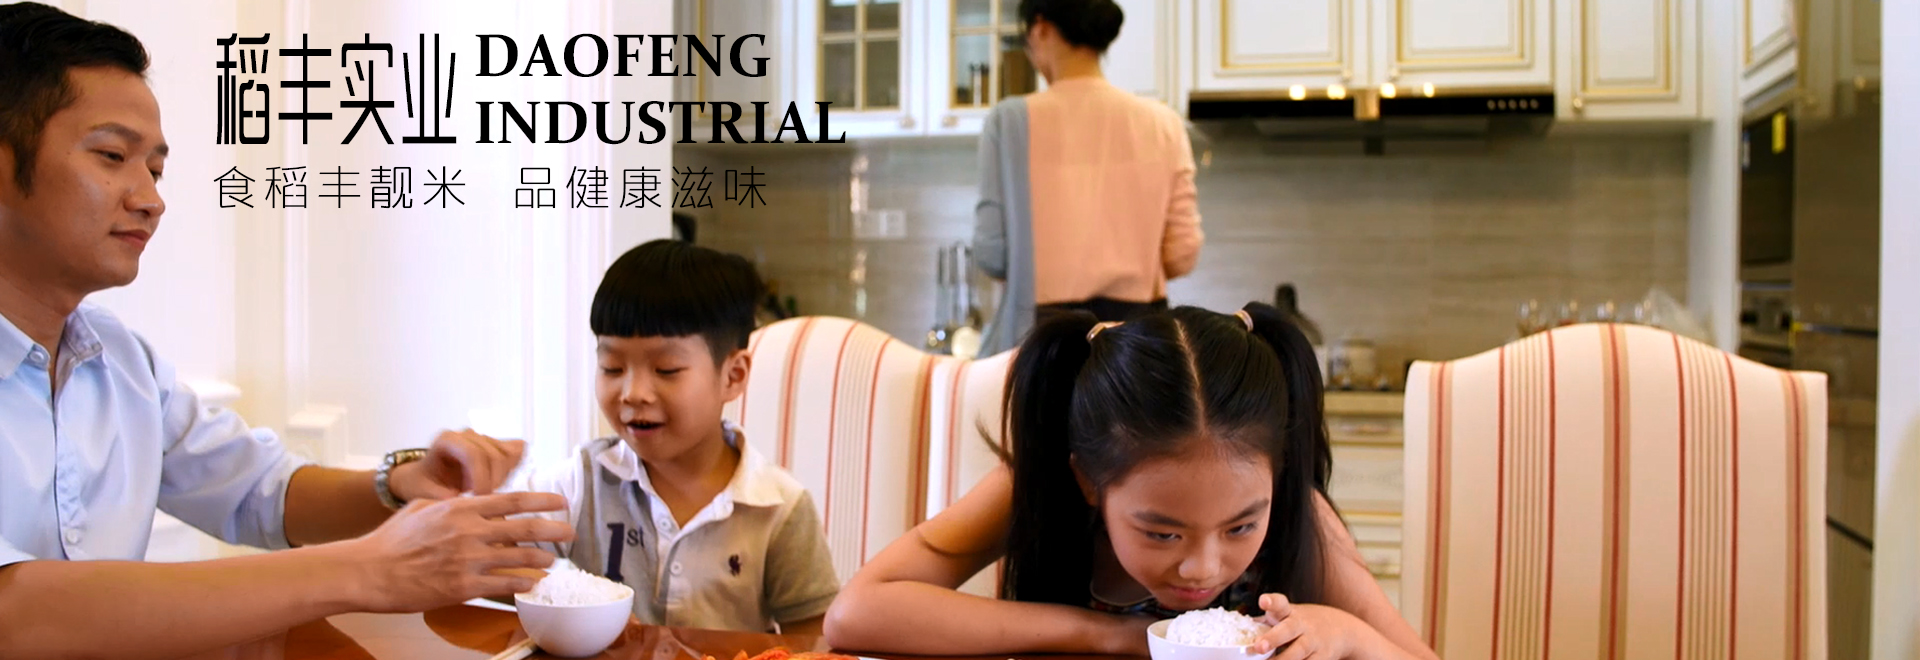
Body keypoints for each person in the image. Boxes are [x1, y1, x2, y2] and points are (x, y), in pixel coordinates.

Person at [0, 5, 572, 658]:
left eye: (155, 170)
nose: (150, 199)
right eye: (112, 156)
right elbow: (13, 614)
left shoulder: (121, 361)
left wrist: (398, 485)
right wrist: (367, 570)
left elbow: (259, 491)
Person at [824, 304, 1439, 660]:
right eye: (1163, 533)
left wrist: (1350, 636)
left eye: (1241, 526)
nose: (1203, 568)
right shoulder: (1042, 485)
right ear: (1089, 481)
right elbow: (856, 613)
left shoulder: (1298, 513)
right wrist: (1110, 636)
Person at [502, 240, 839, 634]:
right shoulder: (579, 483)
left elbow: (813, 636)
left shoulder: (778, 506)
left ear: (733, 376)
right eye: (612, 368)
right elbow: (491, 562)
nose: (633, 393)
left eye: (666, 370)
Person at [973, 0, 1204, 355]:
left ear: (1040, 28)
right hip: (1139, 343)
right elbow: (1181, 255)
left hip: (1045, 345)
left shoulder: (1009, 122)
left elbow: (992, 255)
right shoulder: (1164, 123)